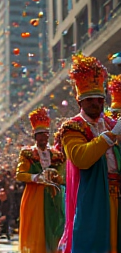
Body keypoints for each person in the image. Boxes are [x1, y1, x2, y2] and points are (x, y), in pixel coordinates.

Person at [57, 53, 121, 253]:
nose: (97, 104)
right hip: (92, 195)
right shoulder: (72, 127)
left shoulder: (111, 123)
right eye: (91, 100)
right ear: (80, 102)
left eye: (100, 99)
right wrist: (110, 136)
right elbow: (81, 158)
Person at [16, 106, 65, 253]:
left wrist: (56, 177)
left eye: (45, 134)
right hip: (34, 195)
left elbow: (63, 176)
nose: (43, 137)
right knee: (36, 228)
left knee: (55, 224)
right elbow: (20, 174)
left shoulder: (56, 154)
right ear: (34, 136)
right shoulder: (28, 154)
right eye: (39, 134)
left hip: (53, 195)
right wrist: (37, 177)